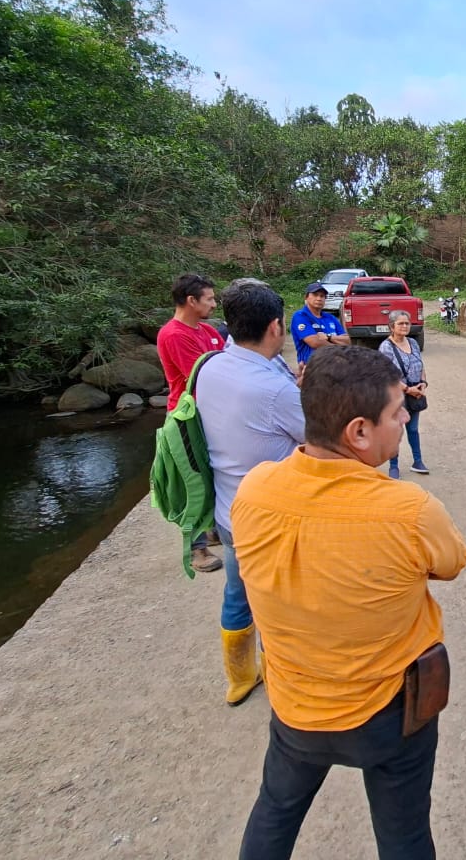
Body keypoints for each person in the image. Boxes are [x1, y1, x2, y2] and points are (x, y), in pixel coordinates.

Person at [232, 346, 466, 860]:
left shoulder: (253, 490)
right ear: (359, 432)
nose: (406, 417)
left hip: (296, 707)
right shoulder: (409, 510)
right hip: (390, 713)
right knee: (405, 836)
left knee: (274, 812)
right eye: (397, 411)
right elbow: (450, 564)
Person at [195, 280, 304, 708]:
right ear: (276, 326)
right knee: (282, 602)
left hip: (229, 513)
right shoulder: (274, 388)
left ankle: (239, 678)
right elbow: (318, 438)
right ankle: (283, 676)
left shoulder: (210, 367)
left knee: (237, 593)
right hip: (272, 520)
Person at [156, 272, 224, 573]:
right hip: (187, 418)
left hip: (210, 414)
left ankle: (213, 529)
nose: (214, 304)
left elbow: (224, 362)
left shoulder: (207, 330)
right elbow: (203, 375)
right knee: (192, 481)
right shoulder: (173, 334)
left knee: (213, 473)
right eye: (209, 299)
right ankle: (196, 549)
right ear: (191, 300)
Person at [378, 309, 429, 478]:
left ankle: (418, 461)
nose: (405, 326)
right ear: (392, 326)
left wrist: (423, 384)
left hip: (415, 393)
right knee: (396, 430)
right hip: (396, 396)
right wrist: (407, 389)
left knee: (413, 429)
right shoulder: (386, 347)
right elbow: (386, 376)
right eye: (400, 323)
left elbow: (420, 365)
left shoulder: (413, 343)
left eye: (407, 323)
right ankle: (393, 466)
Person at [289, 282, 349, 366]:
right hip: (313, 366)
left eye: (322, 296)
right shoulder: (301, 316)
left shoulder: (330, 318)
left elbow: (348, 340)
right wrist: (338, 349)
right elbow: (315, 342)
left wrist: (329, 337)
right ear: (306, 297)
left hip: (335, 366)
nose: (319, 298)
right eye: (315, 295)